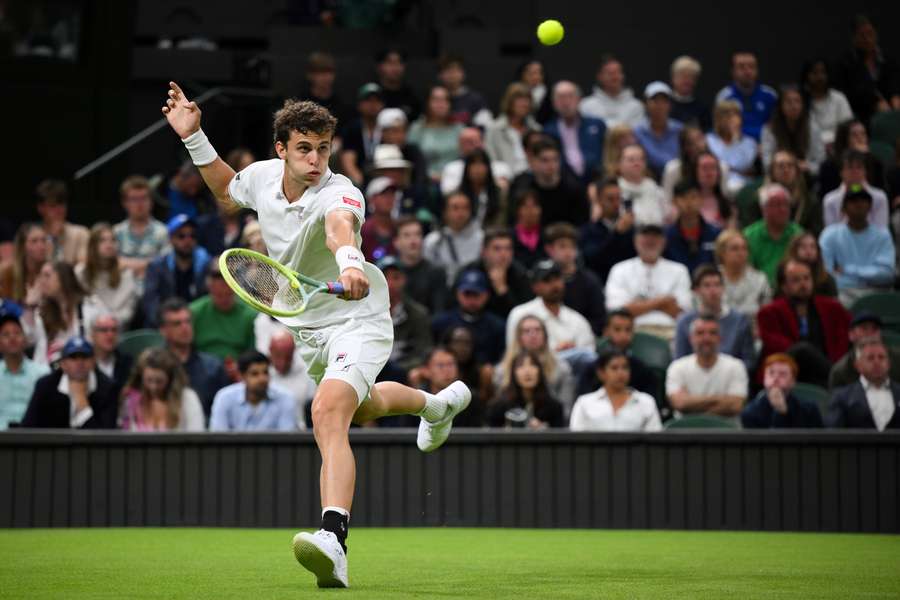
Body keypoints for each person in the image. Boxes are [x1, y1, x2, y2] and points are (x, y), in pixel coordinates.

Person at [162, 84, 471, 586]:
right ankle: (435, 407)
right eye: (304, 148)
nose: (315, 158)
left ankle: (334, 538)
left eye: (323, 148)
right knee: (362, 407)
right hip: (309, 327)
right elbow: (224, 189)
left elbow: (339, 228)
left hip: (359, 319)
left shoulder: (341, 190)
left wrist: (350, 262)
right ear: (280, 148)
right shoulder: (262, 178)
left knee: (326, 411)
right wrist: (194, 135)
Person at [757, 259, 851, 387]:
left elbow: (848, 333)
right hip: (788, 373)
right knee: (802, 350)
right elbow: (777, 346)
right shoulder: (769, 312)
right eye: (796, 280)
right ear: (784, 286)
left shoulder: (832, 308)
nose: (803, 284)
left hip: (823, 371)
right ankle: (837, 378)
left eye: (806, 278)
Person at [605, 224, 692, 341]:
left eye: (655, 236)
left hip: (670, 332)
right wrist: (662, 302)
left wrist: (638, 304)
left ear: (664, 241)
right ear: (635, 240)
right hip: (632, 333)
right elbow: (618, 312)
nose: (650, 240)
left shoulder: (679, 270)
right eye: (645, 235)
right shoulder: (620, 269)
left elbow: (681, 313)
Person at [819, 185, 895, 307]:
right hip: (842, 294)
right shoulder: (829, 235)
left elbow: (887, 275)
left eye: (863, 201)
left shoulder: (883, 235)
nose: (859, 204)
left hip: (877, 294)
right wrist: (869, 277)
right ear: (843, 208)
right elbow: (826, 276)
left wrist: (848, 270)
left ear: (870, 206)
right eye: (853, 201)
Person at [21, 336, 119, 429]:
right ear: (63, 364)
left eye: (84, 357)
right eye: (73, 357)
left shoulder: (108, 388)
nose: (79, 362)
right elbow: (28, 427)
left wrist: (82, 404)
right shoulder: (46, 386)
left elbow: (105, 437)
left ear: (93, 362)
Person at [665, 315, 748, 420]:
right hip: (686, 431)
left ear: (720, 338)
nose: (706, 338)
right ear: (691, 338)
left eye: (712, 333)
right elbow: (680, 403)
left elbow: (735, 405)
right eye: (700, 333)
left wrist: (691, 403)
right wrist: (722, 400)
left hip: (727, 433)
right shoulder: (677, 367)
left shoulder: (736, 366)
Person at [674, 264, 755, 371]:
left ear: (723, 288)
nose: (713, 291)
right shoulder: (684, 322)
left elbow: (749, 361)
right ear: (696, 290)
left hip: (730, 379)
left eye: (717, 285)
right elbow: (679, 361)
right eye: (707, 285)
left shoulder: (740, 320)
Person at [158, 298, 230, 416]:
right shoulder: (154, 368)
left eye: (188, 321)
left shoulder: (213, 367)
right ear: (163, 330)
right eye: (177, 324)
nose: (185, 327)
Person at [506, 259, 595, 355]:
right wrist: (555, 354)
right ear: (535, 287)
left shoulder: (577, 320)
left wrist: (573, 351)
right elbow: (513, 354)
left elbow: (589, 357)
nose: (554, 285)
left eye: (557, 278)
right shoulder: (520, 314)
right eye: (547, 280)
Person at [495, 315, 576, 415]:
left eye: (538, 330)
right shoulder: (502, 370)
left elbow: (566, 408)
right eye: (526, 331)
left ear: (545, 336)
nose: (533, 335)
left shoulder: (562, 368)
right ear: (518, 337)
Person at [30, 261, 106, 365]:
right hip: (54, 372)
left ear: (63, 277)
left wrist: (68, 349)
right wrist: (29, 308)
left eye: (47, 276)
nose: (42, 281)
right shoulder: (41, 312)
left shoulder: (92, 305)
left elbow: (104, 340)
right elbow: (37, 350)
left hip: (87, 366)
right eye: (41, 276)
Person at [142, 214, 210, 327]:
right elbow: (150, 303)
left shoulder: (205, 264)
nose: (188, 240)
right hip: (166, 326)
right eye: (181, 236)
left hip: (197, 324)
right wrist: (167, 325)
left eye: (192, 235)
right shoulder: (157, 266)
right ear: (171, 239)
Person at [833, 16, 900, 131]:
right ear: (854, 38)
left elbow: (894, 85)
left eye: (870, 33)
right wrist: (874, 103)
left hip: (891, 112)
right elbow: (846, 95)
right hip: (862, 116)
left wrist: (895, 98)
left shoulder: (887, 60)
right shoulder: (845, 63)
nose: (867, 39)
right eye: (862, 35)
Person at [570, 349, 662, 432]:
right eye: (614, 368)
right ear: (601, 373)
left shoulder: (646, 402)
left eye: (625, 368)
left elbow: (655, 441)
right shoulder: (584, 403)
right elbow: (576, 439)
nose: (620, 373)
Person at [119, 347, 205, 431]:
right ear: (141, 377)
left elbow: (197, 436)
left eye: (159, 381)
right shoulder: (131, 400)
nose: (154, 387)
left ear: (170, 379)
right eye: (148, 380)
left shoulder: (187, 398)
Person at [431, 269, 506, 366]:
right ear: (458, 294)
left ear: (486, 295)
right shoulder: (440, 323)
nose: (471, 300)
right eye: (467, 294)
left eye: (476, 295)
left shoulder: (497, 326)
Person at [508, 136, 587, 226]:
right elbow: (513, 222)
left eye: (555, 160)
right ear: (533, 161)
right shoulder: (521, 187)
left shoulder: (573, 189)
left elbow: (582, 223)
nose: (551, 165)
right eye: (544, 160)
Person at [737, 150, 822, 234]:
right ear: (772, 171)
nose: (786, 170)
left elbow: (815, 232)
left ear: (797, 171)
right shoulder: (759, 199)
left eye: (790, 165)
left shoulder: (807, 200)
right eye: (780, 166)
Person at [543, 222, 605, 335]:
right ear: (549, 249)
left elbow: (598, 320)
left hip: (580, 338)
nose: (568, 252)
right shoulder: (541, 280)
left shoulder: (590, 281)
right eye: (562, 246)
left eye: (572, 246)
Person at [210, 350, 297, 431]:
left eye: (265, 372)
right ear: (242, 376)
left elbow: (288, 441)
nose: (262, 379)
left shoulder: (285, 399)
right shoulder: (224, 398)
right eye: (254, 374)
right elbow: (218, 441)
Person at [189, 260, 256, 364]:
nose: (224, 299)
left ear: (235, 290)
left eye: (228, 294)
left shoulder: (250, 315)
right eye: (219, 295)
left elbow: (253, 353)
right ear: (210, 290)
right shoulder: (194, 312)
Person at [827, 337, 900, 430]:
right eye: (870, 358)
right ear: (858, 365)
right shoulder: (841, 397)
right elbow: (833, 435)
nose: (877, 362)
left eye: (881, 357)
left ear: (889, 363)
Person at [113, 175, 170, 293]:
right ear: (125, 203)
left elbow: (165, 265)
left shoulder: (163, 231)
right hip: (121, 291)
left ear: (151, 201)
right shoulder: (116, 232)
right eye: (134, 199)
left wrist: (126, 264)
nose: (140, 204)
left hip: (153, 290)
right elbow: (112, 265)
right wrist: (148, 264)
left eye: (144, 198)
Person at [459, 227, 532, 320]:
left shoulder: (520, 274)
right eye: (497, 249)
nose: (503, 254)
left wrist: (502, 290)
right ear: (484, 251)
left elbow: (523, 315)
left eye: (508, 248)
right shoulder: (469, 271)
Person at [543, 81, 606, 184]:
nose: (566, 102)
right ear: (554, 103)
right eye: (561, 97)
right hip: (563, 184)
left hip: (596, 181)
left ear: (579, 99)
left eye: (570, 96)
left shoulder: (597, 125)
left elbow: (607, 155)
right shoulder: (548, 131)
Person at [378, 256, 433, 375]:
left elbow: (423, 352)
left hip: (404, 373)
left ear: (404, 280)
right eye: (385, 277)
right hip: (373, 371)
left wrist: (400, 369)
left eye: (396, 277)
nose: (390, 283)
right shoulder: (365, 312)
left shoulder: (418, 314)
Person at [76, 223, 138, 326]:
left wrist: (108, 322)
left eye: (113, 240)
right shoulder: (80, 273)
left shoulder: (126, 275)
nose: (109, 245)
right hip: (88, 329)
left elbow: (128, 313)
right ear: (92, 245)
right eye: (102, 240)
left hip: (115, 330)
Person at [742, 184, 804, 286]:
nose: (783, 209)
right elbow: (747, 270)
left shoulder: (798, 234)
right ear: (763, 208)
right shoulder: (749, 235)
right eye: (777, 205)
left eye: (786, 204)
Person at [741, 353, 824, 429]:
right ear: (764, 378)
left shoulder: (809, 410)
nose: (775, 378)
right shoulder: (751, 412)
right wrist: (780, 413)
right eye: (771, 373)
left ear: (793, 381)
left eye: (782, 374)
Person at [579, 177, 636, 284]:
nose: (616, 204)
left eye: (618, 198)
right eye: (610, 199)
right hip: (602, 282)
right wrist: (617, 234)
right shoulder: (588, 231)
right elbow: (594, 259)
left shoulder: (632, 230)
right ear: (599, 201)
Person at [487, 349, 565, 428]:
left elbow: (560, 437)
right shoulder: (499, 407)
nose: (527, 371)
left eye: (532, 365)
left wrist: (543, 431)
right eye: (521, 366)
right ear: (513, 373)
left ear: (540, 371)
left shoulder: (554, 407)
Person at [760, 85, 826, 176]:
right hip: (778, 177)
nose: (794, 106)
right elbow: (767, 165)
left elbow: (821, 162)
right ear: (780, 106)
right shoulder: (769, 130)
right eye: (788, 102)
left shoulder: (812, 128)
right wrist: (787, 167)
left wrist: (808, 167)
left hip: (807, 177)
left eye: (797, 101)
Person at [423, 191, 484, 286]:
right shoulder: (433, 240)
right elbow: (426, 272)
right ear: (445, 212)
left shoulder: (482, 238)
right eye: (455, 208)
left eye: (465, 208)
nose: (461, 213)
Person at [0, 312, 50, 428]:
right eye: (6, 334)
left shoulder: (42, 373)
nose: (12, 338)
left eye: (17, 333)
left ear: (26, 340)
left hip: (33, 439)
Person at [714, 51, 777, 141]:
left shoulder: (770, 95)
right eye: (741, 67)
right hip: (736, 145)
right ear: (733, 71)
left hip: (765, 145)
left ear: (757, 70)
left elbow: (777, 127)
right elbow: (722, 129)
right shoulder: (725, 97)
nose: (747, 71)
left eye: (752, 67)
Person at [408, 85, 465, 182]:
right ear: (427, 103)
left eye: (445, 100)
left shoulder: (459, 129)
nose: (441, 104)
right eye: (436, 100)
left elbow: (466, 158)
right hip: (425, 181)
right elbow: (411, 159)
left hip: (456, 181)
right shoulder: (417, 128)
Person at [829, 313, 900, 390]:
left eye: (874, 329)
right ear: (851, 335)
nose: (870, 333)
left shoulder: (897, 359)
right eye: (864, 328)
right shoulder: (841, 371)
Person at [392, 216, 448, 314]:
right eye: (407, 235)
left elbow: (439, 312)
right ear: (396, 242)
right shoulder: (388, 272)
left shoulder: (436, 273)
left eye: (417, 234)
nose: (413, 241)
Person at [664, 181, 722, 275]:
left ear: (701, 200)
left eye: (693, 197)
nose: (689, 202)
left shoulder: (716, 234)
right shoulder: (665, 236)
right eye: (683, 198)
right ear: (674, 201)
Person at [823, 150, 890, 229]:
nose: (855, 172)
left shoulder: (880, 197)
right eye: (850, 167)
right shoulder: (830, 200)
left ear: (865, 171)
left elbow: (882, 230)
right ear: (841, 172)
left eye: (859, 167)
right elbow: (830, 233)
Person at [373, 108, 429, 203]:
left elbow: (420, 179)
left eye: (403, 131)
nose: (399, 136)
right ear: (382, 133)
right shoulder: (376, 152)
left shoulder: (413, 152)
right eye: (394, 131)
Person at [485, 82, 540, 177]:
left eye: (527, 99)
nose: (524, 104)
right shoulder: (494, 129)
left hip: (533, 178)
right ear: (509, 102)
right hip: (506, 178)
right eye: (519, 99)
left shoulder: (536, 129)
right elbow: (491, 159)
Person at [440, 126, 513, 198]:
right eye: (465, 142)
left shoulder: (501, 167)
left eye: (472, 142)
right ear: (459, 145)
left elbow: (505, 190)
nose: (469, 146)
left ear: (482, 142)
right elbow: (447, 192)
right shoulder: (451, 167)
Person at [715, 229, 771, 322]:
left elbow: (767, 314)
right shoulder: (712, 279)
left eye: (744, 248)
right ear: (721, 253)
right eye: (735, 249)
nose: (741, 253)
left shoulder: (760, 279)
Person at [818, 120, 886, 196]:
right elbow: (831, 193)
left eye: (863, 134)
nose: (860, 138)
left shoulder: (875, 163)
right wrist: (856, 188)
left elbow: (879, 191)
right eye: (854, 135)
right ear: (844, 139)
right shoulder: (829, 166)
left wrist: (867, 159)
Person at [706, 100, 759, 195]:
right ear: (718, 119)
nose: (732, 120)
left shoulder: (750, 143)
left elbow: (743, 164)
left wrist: (735, 140)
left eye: (736, 116)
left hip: (744, 184)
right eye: (727, 116)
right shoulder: (709, 140)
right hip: (717, 184)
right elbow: (722, 166)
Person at [339, 83, 385, 187]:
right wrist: (360, 184)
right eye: (368, 100)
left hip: (383, 175)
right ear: (359, 104)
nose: (372, 104)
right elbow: (348, 161)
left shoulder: (387, 128)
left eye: (377, 100)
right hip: (360, 178)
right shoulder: (352, 129)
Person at [579, 54, 644, 128]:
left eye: (617, 72)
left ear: (623, 76)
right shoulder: (586, 106)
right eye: (609, 73)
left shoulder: (636, 106)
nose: (614, 77)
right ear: (599, 76)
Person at [634, 81, 683, 179]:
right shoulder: (637, 131)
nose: (660, 105)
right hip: (647, 178)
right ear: (646, 104)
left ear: (670, 105)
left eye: (664, 100)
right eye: (655, 100)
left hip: (678, 178)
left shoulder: (680, 129)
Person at [801, 58, 854, 147]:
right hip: (809, 146)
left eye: (823, 72)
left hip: (837, 145)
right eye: (815, 73)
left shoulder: (838, 98)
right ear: (807, 76)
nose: (819, 77)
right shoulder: (801, 100)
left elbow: (847, 124)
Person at [268, 331, 315, 429]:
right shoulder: (261, 372)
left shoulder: (309, 372)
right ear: (270, 351)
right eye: (278, 356)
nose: (282, 363)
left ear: (294, 352)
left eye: (287, 357)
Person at [34, 179, 88, 264]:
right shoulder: (32, 236)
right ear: (41, 208)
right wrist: (52, 238)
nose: (59, 210)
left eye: (62, 204)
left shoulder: (80, 233)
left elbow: (82, 269)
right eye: (53, 205)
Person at [617, 144, 667, 226]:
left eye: (641, 159)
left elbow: (667, 214)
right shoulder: (615, 188)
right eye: (631, 160)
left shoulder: (653, 186)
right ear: (620, 164)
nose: (637, 163)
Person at [0, 222, 49, 307]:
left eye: (44, 240)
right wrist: (27, 304)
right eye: (34, 241)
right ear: (22, 246)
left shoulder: (50, 272)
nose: (41, 246)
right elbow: (5, 307)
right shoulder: (7, 272)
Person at [436, 54, 492, 128]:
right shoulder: (434, 98)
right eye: (448, 70)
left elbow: (485, 126)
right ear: (440, 75)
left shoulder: (476, 99)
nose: (452, 74)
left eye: (456, 70)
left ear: (463, 73)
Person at [459, 149, 506, 227]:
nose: (477, 169)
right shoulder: (457, 194)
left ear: (488, 168)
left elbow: (501, 221)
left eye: (481, 164)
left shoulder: (500, 194)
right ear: (467, 168)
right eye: (473, 164)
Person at [299, 51, 348, 126]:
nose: (326, 77)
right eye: (321, 72)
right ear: (310, 75)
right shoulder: (301, 104)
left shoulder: (340, 106)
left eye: (330, 72)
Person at [786, 232, 838, 297]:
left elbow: (833, 305)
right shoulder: (786, 276)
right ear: (794, 250)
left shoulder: (827, 280)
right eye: (803, 247)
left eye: (812, 247)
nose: (808, 251)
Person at [374, 48, 421, 121]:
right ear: (380, 66)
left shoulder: (411, 96)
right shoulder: (372, 94)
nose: (395, 68)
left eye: (399, 62)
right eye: (389, 62)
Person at [89, 313, 132, 390]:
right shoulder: (84, 362)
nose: (110, 334)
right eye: (104, 330)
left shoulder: (127, 362)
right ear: (92, 334)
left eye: (114, 330)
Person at [359, 177, 397, 262]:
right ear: (371, 199)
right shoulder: (363, 230)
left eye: (392, 194)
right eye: (384, 194)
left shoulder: (399, 229)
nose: (389, 198)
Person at [669, 55, 711, 130]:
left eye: (691, 77)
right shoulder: (665, 104)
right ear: (673, 78)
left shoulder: (702, 108)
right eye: (683, 76)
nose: (687, 81)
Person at [510, 188, 547, 268]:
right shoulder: (509, 237)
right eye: (526, 206)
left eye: (535, 206)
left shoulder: (547, 236)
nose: (531, 211)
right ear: (518, 210)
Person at [516, 59, 554, 124]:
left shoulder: (551, 94)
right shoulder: (515, 92)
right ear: (523, 74)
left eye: (539, 73)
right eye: (532, 73)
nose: (536, 77)